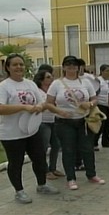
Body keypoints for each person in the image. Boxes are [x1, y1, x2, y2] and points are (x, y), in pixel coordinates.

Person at [0, 54, 60, 204]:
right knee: (16, 162)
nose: (19, 67)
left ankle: (42, 184)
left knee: (39, 158)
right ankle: (19, 191)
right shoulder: (4, 86)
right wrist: (23, 107)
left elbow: (42, 102)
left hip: (32, 129)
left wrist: (40, 106)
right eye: (15, 65)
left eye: (21, 64)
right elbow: (1, 108)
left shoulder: (30, 84)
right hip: (12, 133)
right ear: (7, 67)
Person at [46, 55, 105, 190]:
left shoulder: (85, 82)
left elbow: (95, 99)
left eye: (74, 64)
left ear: (79, 67)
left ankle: (91, 174)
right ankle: (71, 178)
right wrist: (60, 111)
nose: (71, 67)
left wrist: (89, 104)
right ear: (64, 67)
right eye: (68, 64)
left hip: (83, 121)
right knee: (68, 150)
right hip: (64, 122)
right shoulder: (57, 83)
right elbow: (49, 103)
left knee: (87, 149)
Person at [33, 70, 65, 180]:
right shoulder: (38, 91)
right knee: (44, 147)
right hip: (43, 121)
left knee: (56, 145)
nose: (51, 79)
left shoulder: (52, 91)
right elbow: (44, 105)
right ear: (41, 80)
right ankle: (44, 171)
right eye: (48, 77)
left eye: (51, 76)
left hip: (53, 120)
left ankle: (53, 168)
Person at [94, 64, 109, 150]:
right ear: (102, 71)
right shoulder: (98, 81)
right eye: (107, 71)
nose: (108, 72)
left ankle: (106, 141)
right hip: (100, 105)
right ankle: (94, 143)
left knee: (108, 124)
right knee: (100, 125)